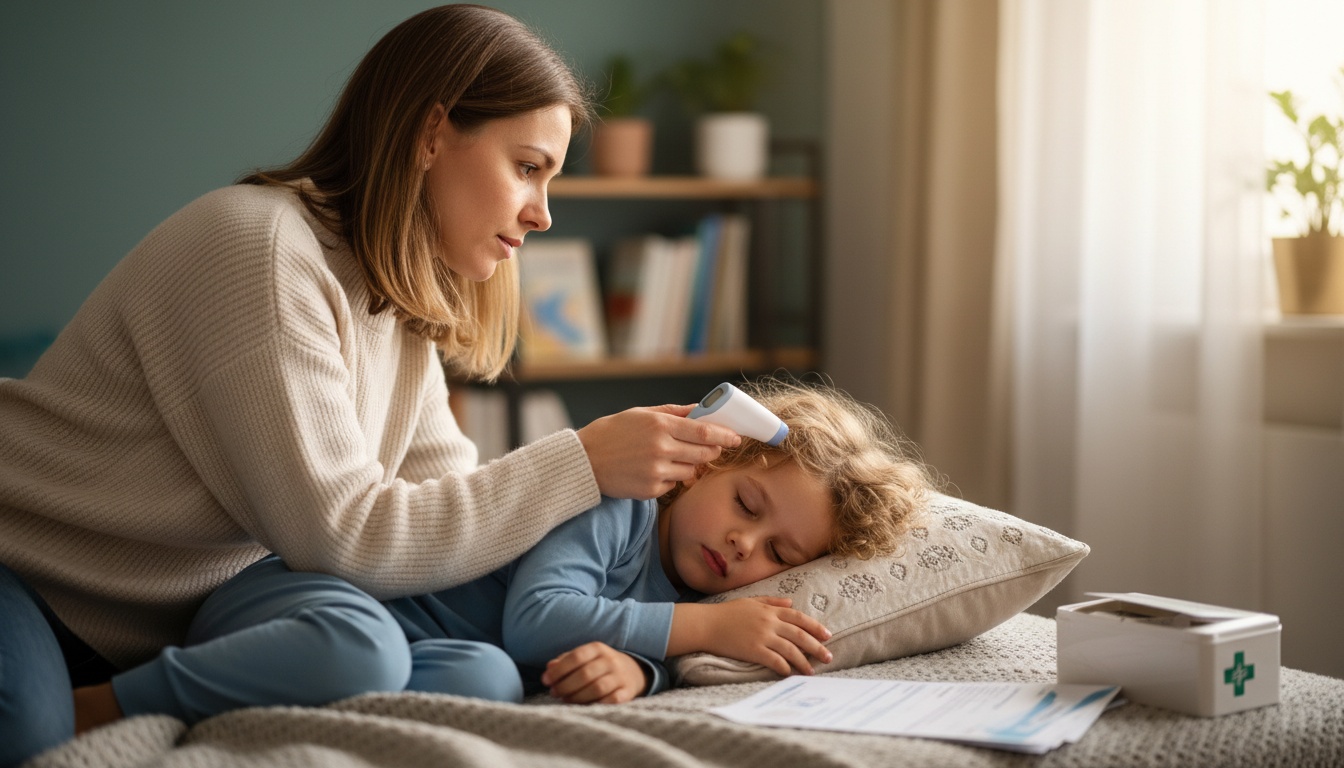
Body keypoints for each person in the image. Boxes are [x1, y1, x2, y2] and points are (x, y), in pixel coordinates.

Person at [0, 6, 744, 765]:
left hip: (170, 619)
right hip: (32, 574)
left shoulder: (394, 308)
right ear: (431, 134)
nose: (543, 214)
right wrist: (582, 461)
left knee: (482, 671)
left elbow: (453, 526)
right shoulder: (262, 250)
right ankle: (92, 710)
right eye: (527, 167)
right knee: (25, 733)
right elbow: (346, 538)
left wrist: (638, 652)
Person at [108, 377, 934, 719]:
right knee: (358, 646)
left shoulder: (695, 589)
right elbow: (541, 619)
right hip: (308, 596)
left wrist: (637, 670)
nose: (741, 545)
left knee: (489, 678)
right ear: (702, 463)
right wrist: (703, 634)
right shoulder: (617, 507)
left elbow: (552, 649)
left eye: (776, 554)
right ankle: (106, 702)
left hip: (423, 650)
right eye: (747, 505)